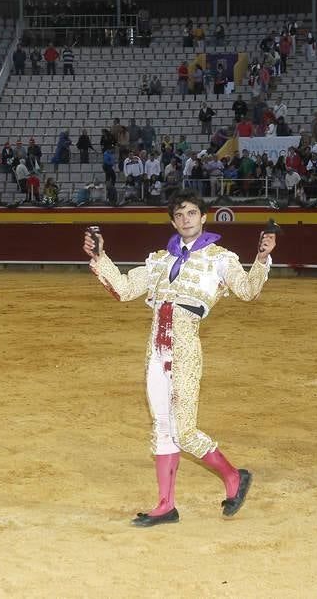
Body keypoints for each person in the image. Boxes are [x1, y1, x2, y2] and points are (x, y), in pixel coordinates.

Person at [82, 192, 276, 525]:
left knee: (184, 430)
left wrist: (261, 259)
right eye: (179, 214)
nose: (185, 218)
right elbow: (125, 289)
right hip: (155, 350)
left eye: (192, 212)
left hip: (185, 346)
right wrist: (101, 257)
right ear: (173, 222)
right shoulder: (159, 259)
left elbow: (247, 290)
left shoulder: (220, 258)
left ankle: (234, 477)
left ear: (203, 218)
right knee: (161, 426)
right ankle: (165, 505)